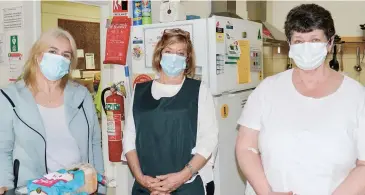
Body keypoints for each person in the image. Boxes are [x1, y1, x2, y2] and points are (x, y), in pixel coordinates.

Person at [235, 4, 365, 195]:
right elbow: (246, 147)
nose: (306, 48)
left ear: (329, 44)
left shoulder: (357, 96)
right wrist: (266, 192)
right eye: (299, 41)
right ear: (290, 45)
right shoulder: (267, 90)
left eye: (314, 40)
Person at [0, 28, 104, 194]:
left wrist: (100, 187)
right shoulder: (10, 97)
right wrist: (6, 187)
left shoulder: (81, 95)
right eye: (53, 52)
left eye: (66, 55)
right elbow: (2, 149)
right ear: (37, 55)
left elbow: (94, 143)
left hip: (79, 188)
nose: (59, 58)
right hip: (32, 189)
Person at [123, 28, 219, 195]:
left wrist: (181, 177)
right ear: (160, 55)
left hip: (186, 185)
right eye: (169, 51)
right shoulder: (139, 91)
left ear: (187, 60)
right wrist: (140, 177)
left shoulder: (199, 91)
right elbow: (129, 138)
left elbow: (209, 140)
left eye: (180, 53)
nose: (174, 57)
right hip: (146, 187)